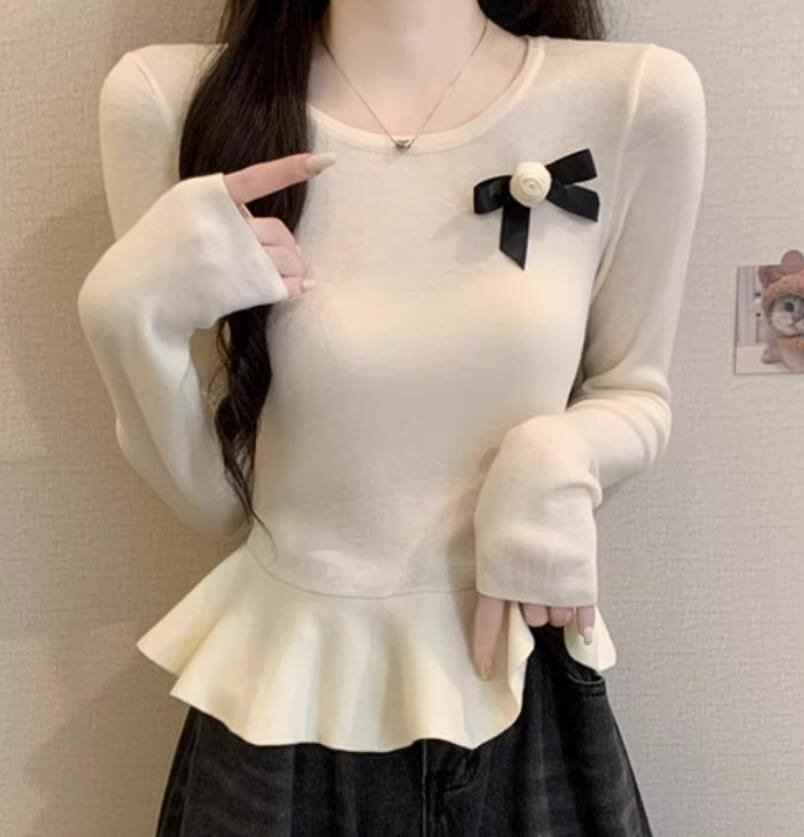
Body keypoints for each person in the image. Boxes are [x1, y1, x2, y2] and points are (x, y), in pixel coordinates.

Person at [76, 0, 706, 834]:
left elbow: (637, 391)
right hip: (281, 706)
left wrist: (557, 458)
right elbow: (216, 504)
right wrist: (125, 320)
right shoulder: (172, 101)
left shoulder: (633, 99)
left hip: (523, 690)